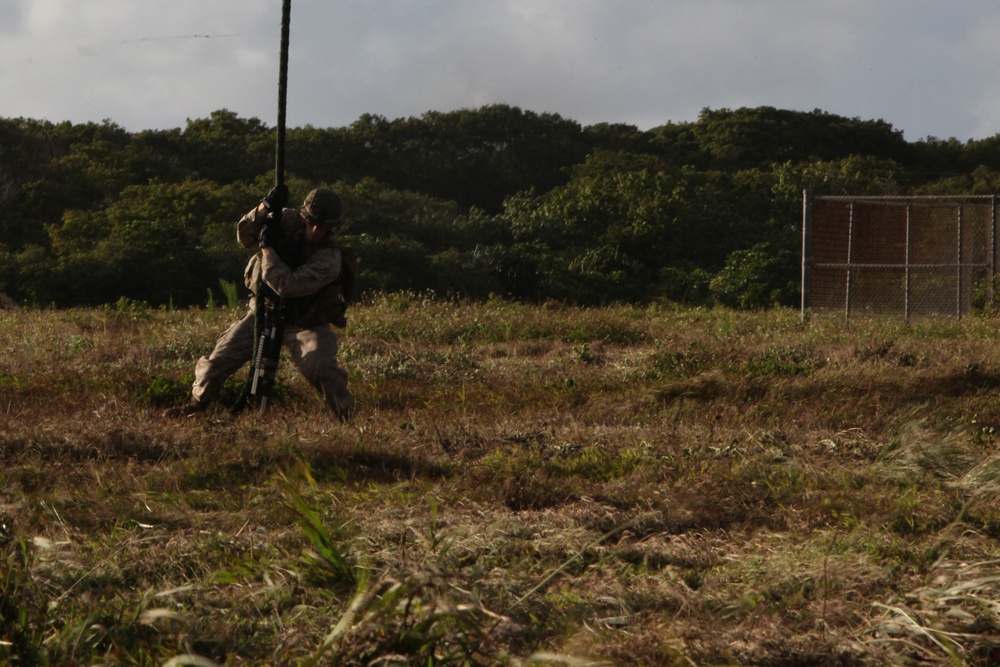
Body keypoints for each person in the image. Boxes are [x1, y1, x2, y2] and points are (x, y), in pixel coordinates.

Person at [166, 186, 355, 420]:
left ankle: (346, 417)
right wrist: (264, 207)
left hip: (305, 321)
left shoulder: (329, 258)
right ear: (303, 215)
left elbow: (285, 286)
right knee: (217, 362)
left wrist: (267, 248)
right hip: (264, 311)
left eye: (323, 227)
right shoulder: (284, 219)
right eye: (311, 223)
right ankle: (198, 404)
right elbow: (244, 236)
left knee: (321, 368)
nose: (316, 231)